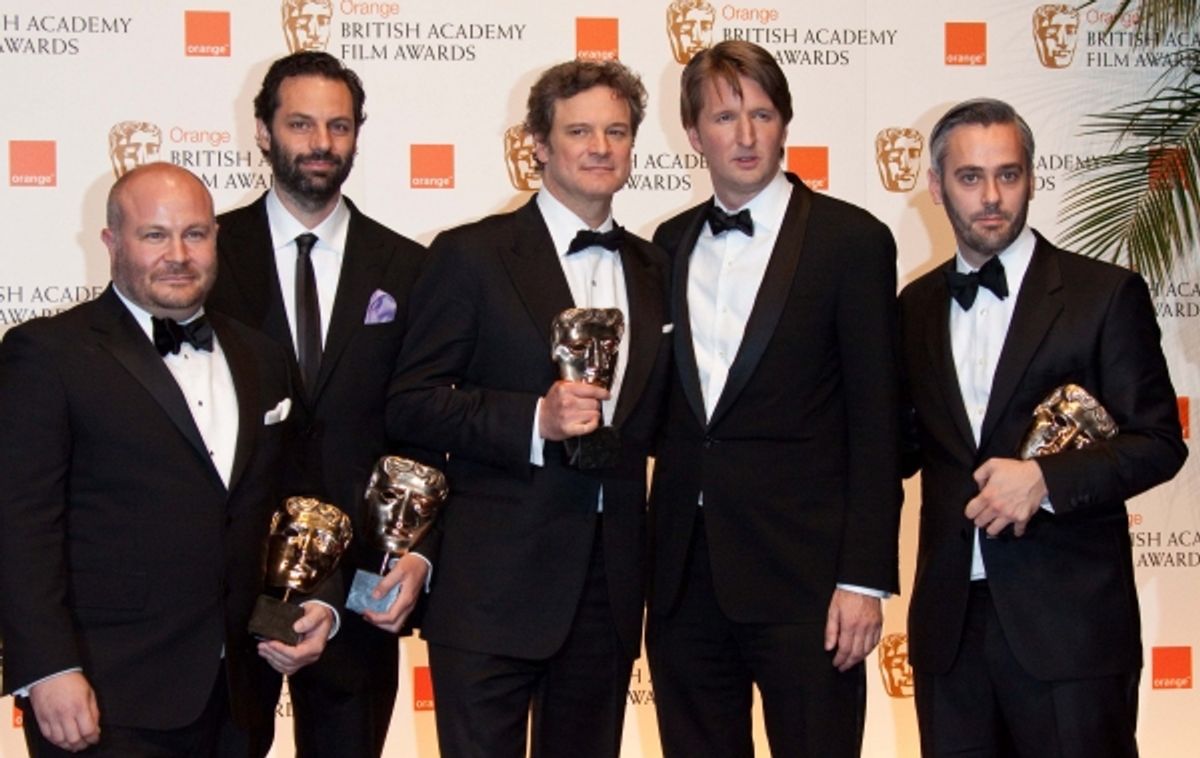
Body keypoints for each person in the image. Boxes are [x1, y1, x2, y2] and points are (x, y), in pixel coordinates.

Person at [0, 163, 336, 756]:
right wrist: (48, 670)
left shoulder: (260, 357)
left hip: (240, 699)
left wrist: (314, 606)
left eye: (195, 233)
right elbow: (20, 526)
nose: (178, 253)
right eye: (154, 235)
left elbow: (283, 506)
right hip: (105, 696)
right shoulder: (47, 354)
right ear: (110, 242)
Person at [387, 59, 670, 758]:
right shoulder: (472, 255)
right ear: (538, 144)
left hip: (610, 589)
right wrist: (531, 423)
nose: (601, 146)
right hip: (491, 587)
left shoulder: (657, 267)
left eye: (617, 130)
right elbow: (411, 405)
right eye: (579, 130)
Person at [899, 97, 1187, 757]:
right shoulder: (913, 306)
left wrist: (1045, 480)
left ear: (1031, 177)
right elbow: (898, 447)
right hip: (949, 633)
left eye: (1010, 174)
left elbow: (1159, 442)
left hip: (1071, 631)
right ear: (937, 187)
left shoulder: (1102, 295)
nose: (992, 195)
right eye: (971, 177)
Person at [647, 39, 903, 757]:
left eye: (763, 113)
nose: (748, 134)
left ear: (785, 122)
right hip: (683, 580)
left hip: (809, 582)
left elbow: (877, 424)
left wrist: (864, 579)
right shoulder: (665, 244)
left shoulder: (851, 241)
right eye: (726, 117)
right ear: (693, 134)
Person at [206, 50, 426, 757]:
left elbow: (422, 424)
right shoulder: (205, 255)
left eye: (338, 125)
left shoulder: (410, 268)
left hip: (363, 583)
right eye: (300, 123)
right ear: (264, 132)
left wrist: (415, 556)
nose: (321, 143)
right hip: (229, 580)